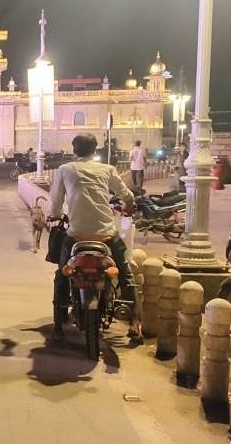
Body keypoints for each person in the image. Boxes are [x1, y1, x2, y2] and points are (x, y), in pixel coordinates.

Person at [48, 133, 138, 341]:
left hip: (77, 236)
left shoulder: (65, 170)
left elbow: (55, 204)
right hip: (106, 235)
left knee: (62, 274)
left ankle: (59, 321)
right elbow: (127, 195)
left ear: (74, 150)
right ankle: (135, 321)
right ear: (95, 149)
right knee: (125, 272)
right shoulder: (108, 170)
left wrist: (55, 214)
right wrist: (128, 206)